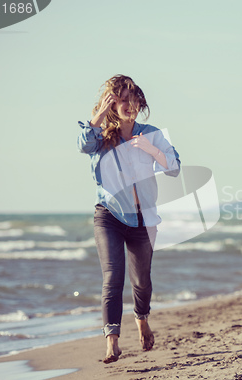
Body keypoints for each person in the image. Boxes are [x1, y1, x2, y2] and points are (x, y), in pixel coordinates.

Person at [77, 75, 180, 363]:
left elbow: (174, 167)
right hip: (109, 215)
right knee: (112, 278)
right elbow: (82, 144)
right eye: (123, 100)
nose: (130, 105)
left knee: (142, 282)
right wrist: (98, 115)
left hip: (144, 219)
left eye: (134, 100)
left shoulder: (152, 134)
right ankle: (112, 342)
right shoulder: (100, 137)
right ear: (112, 103)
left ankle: (142, 318)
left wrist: (150, 149)